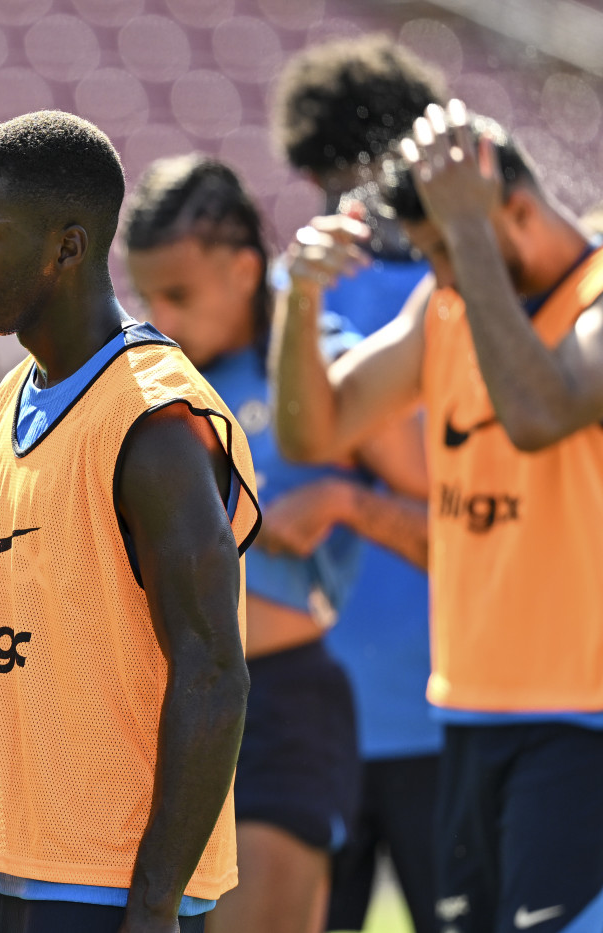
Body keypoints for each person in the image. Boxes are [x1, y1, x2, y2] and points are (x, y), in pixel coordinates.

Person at [273, 102, 603, 933]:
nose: (441, 276)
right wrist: (300, 305)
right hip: (467, 713)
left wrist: (471, 237)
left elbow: (540, 411)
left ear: (514, 214)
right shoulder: (447, 307)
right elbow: (315, 427)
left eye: (446, 250)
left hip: (584, 725)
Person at [0, 110, 261, 933]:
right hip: (24, 865)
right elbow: (5, 652)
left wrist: (151, 907)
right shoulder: (12, 398)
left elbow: (215, 673)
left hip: (111, 885)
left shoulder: (156, 423)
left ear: (66, 249)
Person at [123, 156, 428, 933]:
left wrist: (345, 501)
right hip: (147, 703)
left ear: (246, 267)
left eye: (181, 294)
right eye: (148, 294)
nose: (163, 314)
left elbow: (451, 523)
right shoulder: (141, 373)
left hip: (280, 700)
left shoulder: (325, 358)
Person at [270, 37, 445, 932]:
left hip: (448, 706)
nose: (355, 205)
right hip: (309, 714)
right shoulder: (280, 296)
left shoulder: (456, 296)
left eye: (370, 177)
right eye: (333, 182)